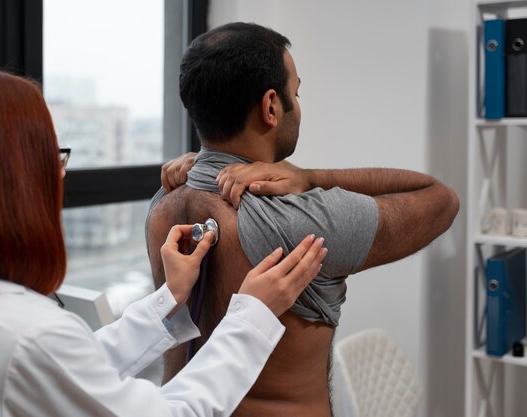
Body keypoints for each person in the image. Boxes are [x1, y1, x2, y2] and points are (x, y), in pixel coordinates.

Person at [0, 67, 330, 417]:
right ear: (9, 181)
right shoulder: (30, 334)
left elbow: (73, 370)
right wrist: (250, 317)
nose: (61, 173)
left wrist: (167, 300)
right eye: (49, 156)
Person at [146, 22, 460, 417]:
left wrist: (198, 167)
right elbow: (440, 198)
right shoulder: (302, 221)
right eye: (296, 91)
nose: (298, 101)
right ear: (272, 106)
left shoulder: (163, 206)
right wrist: (312, 178)